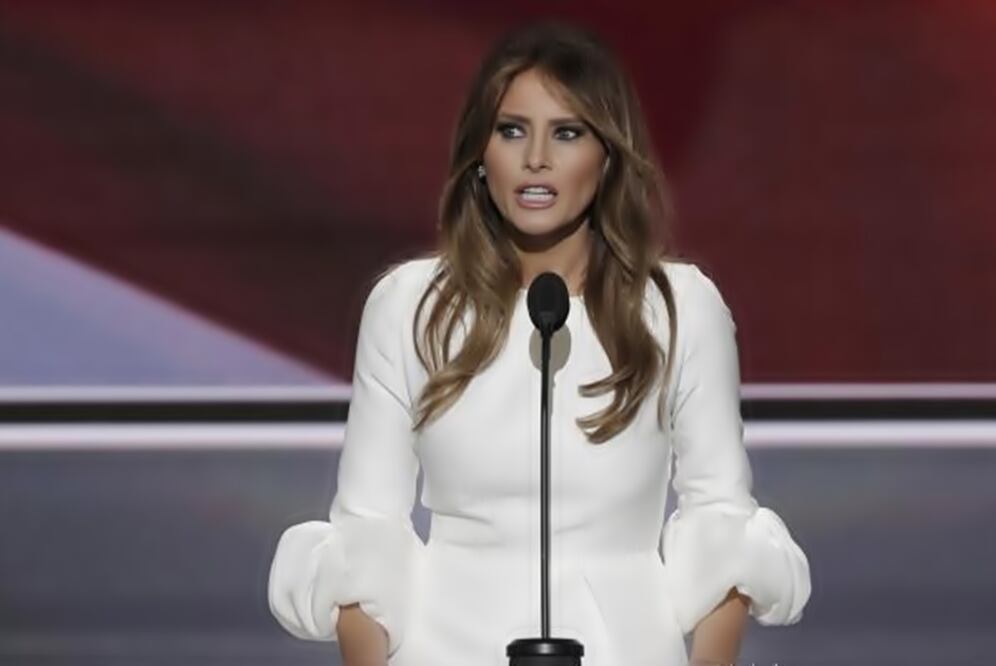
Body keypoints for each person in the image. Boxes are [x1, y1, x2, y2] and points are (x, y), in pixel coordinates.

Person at [267, 20, 811, 666]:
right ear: (480, 155)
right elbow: (368, 532)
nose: (536, 159)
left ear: (607, 157)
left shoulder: (679, 309)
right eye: (512, 130)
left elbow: (720, 519)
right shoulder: (411, 307)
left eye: (568, 133)